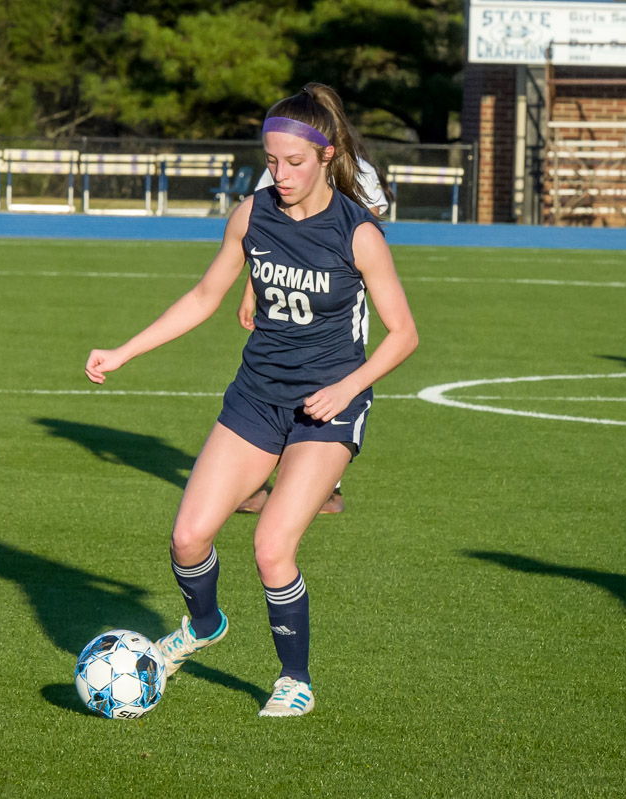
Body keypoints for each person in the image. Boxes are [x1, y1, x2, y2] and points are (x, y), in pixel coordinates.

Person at [84, 83, 417, 717]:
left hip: (330, 405)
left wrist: (345, 388)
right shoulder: (252, 213)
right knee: (187, 537)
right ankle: (204, 626)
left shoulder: (358, 234)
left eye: (294, 163)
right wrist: (125, 351)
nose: (280, 174)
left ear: (327, 156)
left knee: (271, 545)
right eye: (271, 161)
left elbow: (404, 334)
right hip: (257, 396)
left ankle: (295, 679)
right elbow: (206, 295)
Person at [235, 155, 392, 516]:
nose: (282, 170)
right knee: (269, 381)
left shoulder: (360, 174)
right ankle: (255, 479)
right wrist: (251, 290)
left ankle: (326, 487)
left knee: (325, 388)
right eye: (275, 159)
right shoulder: (278, 169)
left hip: (335, 310)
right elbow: (264, 235)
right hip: (284, 310)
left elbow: (373, 217)